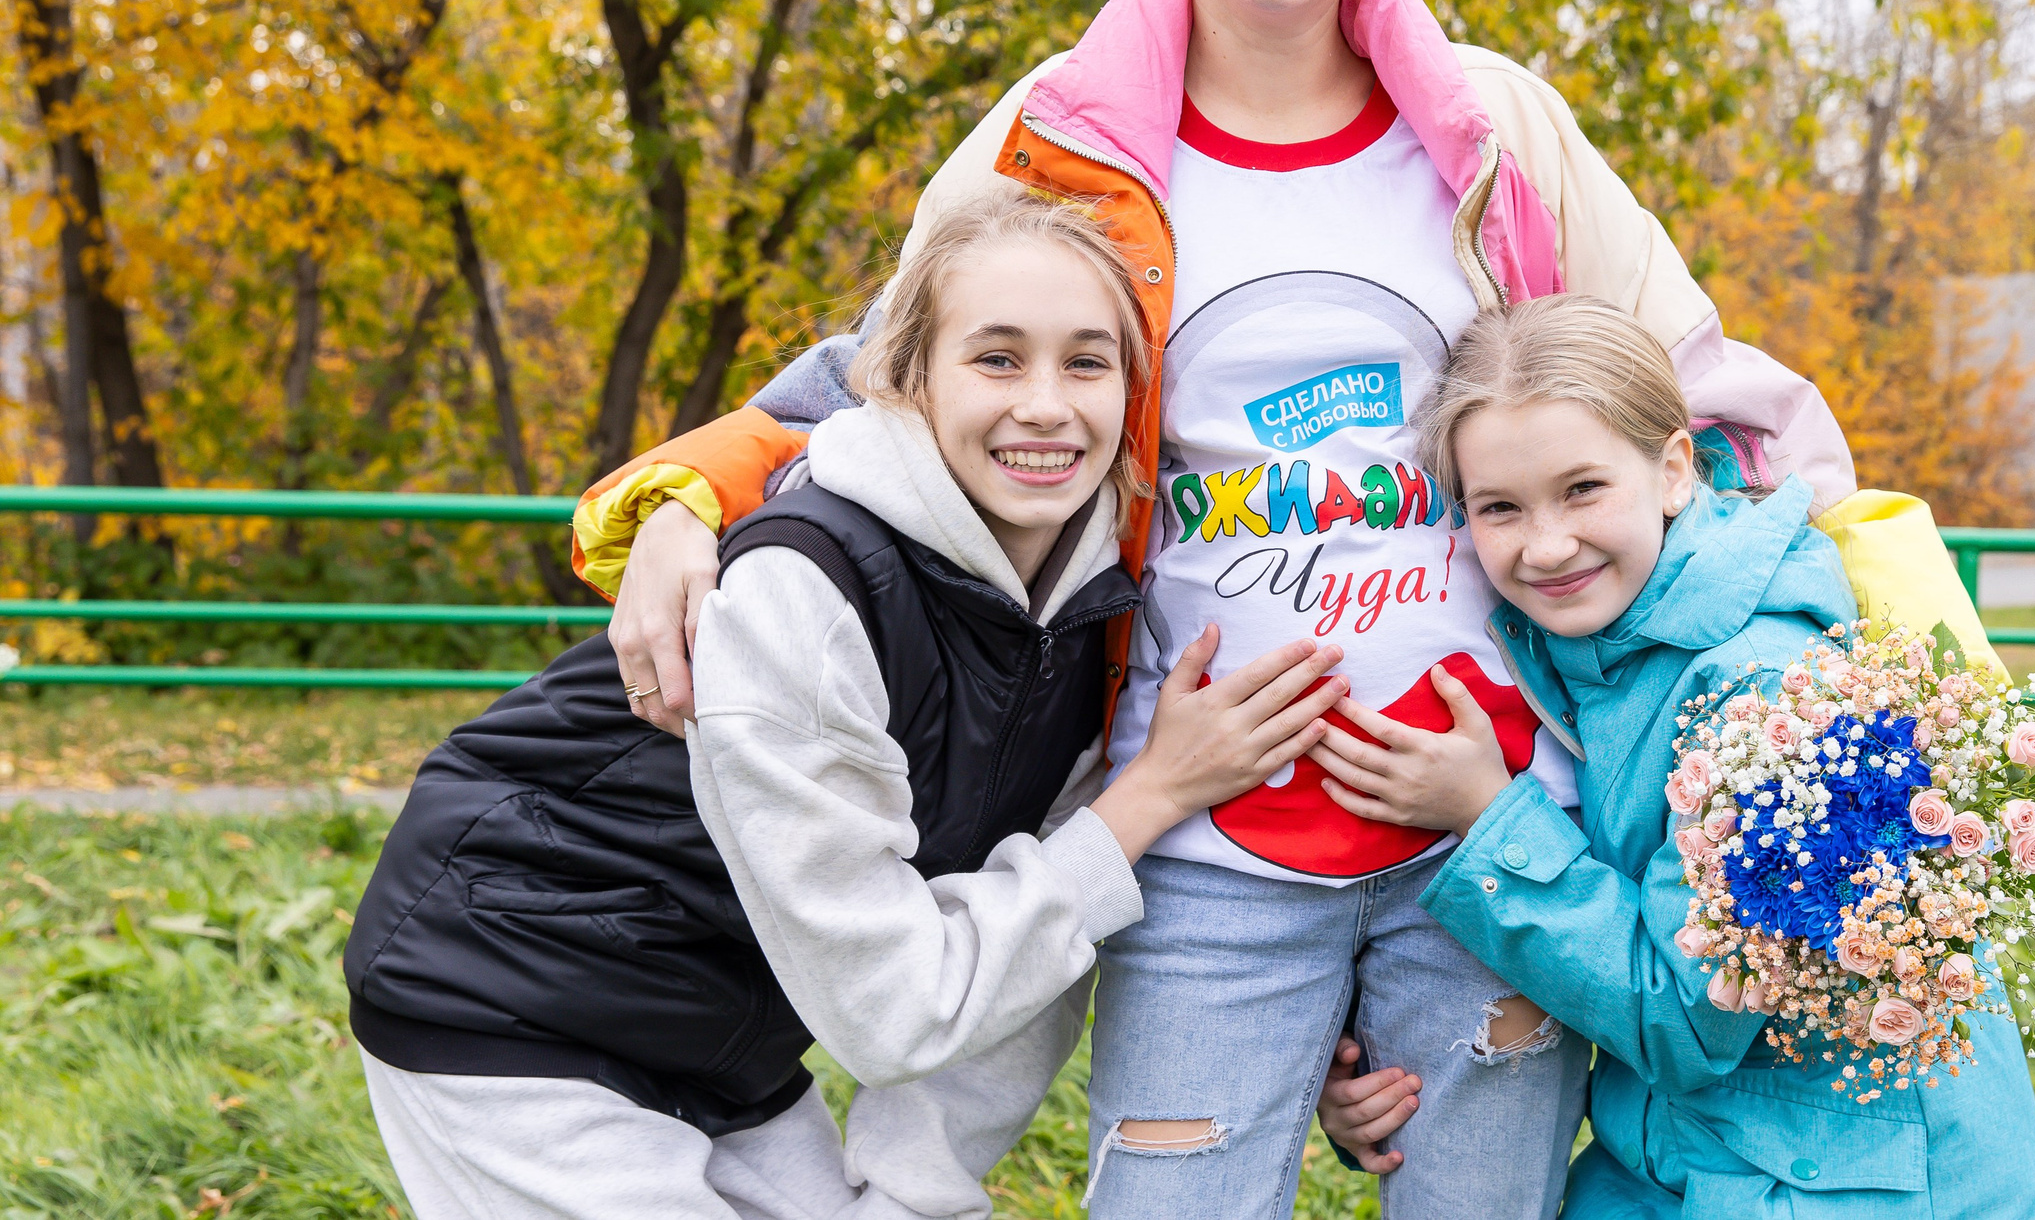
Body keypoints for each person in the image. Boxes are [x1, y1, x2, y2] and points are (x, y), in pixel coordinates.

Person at [574, 0, 1858, 1215]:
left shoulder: (1492, 125)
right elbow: (892, 382)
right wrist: (676, 503)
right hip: (1197, 835)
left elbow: (1693, 390)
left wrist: (1849, 673)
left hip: (1493, 818)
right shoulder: (1060, 137)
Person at [343, 191, 1348, 1220]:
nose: (1046, 403)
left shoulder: (1101, 610)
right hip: (514, 989)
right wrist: (1149, 795)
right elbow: (904, 998)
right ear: (901, 378)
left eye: (1086, 362)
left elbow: (1041, 928)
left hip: (728, 1034)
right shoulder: (803, 583)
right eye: (996, 358)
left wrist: (913, 1194)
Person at [1306, 294, 2035, 1217]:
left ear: (1672, 470)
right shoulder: (1584, 646)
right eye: (1499, 507)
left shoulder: (1767, 685)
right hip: (1684, 1157)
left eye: (1583, 489)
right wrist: (1389, 1072)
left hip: (1856, 1186)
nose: (1546, 545)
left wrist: (1487, 817)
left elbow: (1683, 1021)